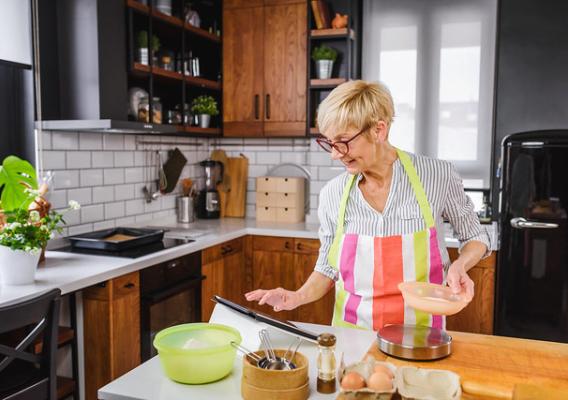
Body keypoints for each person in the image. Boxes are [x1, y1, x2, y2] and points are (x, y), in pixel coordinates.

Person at [245, 80, 491, 330]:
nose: (335, 153)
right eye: (330, 143)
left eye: (343, 141)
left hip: (420, 335)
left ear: (379, 130)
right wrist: (297, 296)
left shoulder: (437, 176)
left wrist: (460, 265)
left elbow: (475, 236)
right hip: (352, 339)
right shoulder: (333, 194)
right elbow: (328, 266)